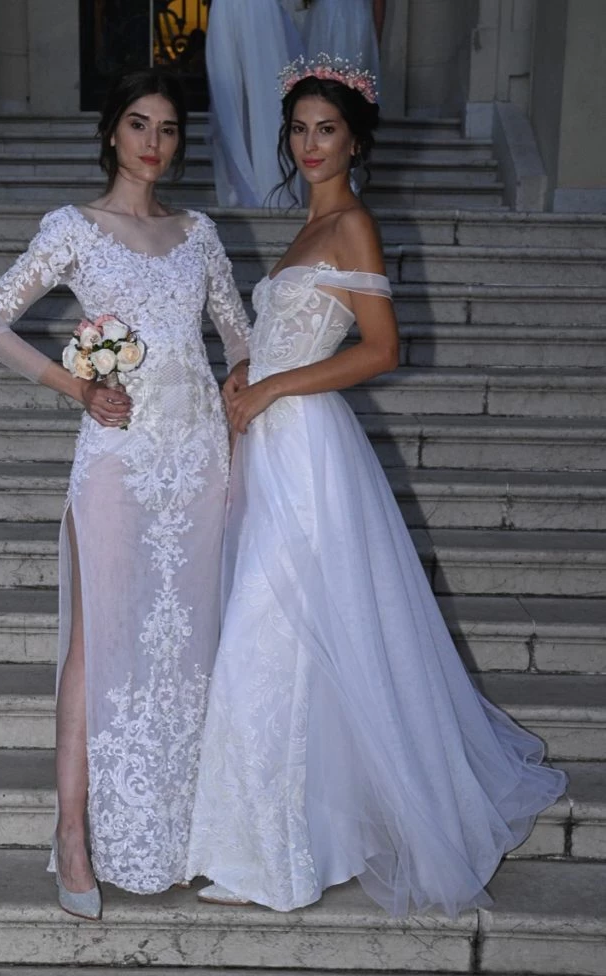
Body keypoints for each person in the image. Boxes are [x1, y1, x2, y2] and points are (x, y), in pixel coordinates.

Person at [186, 56, 567, 918]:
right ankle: (295, 839)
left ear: (356, 140)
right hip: (272, 444)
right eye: (299, 129)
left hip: (307, 450)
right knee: (283, 638)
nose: (310, 144)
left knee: (271, 634)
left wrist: (275, 387)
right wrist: (247, 371)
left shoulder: (354, 223)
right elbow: (287, 334)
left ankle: (274, 862)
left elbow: (382, 348)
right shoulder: (307, 229)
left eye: (327, 130)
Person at [0, 69, 251, 920]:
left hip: (198, 464)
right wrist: (78, 387)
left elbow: (238, 337)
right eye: (138, 124)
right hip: (119, 460)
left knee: (188, 646)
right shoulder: (74, 228)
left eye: (168, 128)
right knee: (96, 647)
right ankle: (72, 837)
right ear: (111, 133)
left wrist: (244, 393)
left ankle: (180, 831)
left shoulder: (199, 234)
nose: (153, 143)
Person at [206, 0, 304, 206]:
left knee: (269, 95)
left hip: (261, 9)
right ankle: (238, 184)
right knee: (227, 99)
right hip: (225, 9)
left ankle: (277, 183)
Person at [303, 1, 384, 99]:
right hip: (325, 16)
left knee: (356, 81)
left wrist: (377, 38)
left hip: (356, 20)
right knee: (319, 79)